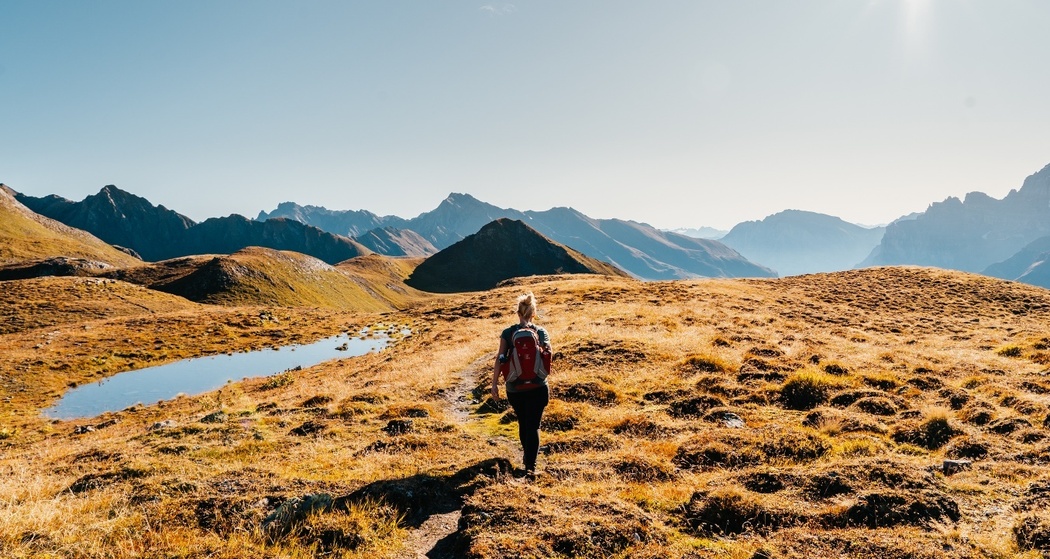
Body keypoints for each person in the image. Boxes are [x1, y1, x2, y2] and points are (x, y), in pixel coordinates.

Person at [491, 292, 552, 478]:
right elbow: (549, 354)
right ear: (533, 314)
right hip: (538, 386)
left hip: (515, 389)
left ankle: (528, 459)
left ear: (518, 313)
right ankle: (530, 466)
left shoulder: (508, 333)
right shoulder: (541, 332)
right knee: (533, 425)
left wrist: (494, 385)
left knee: (523, 422)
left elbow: (499, 360)